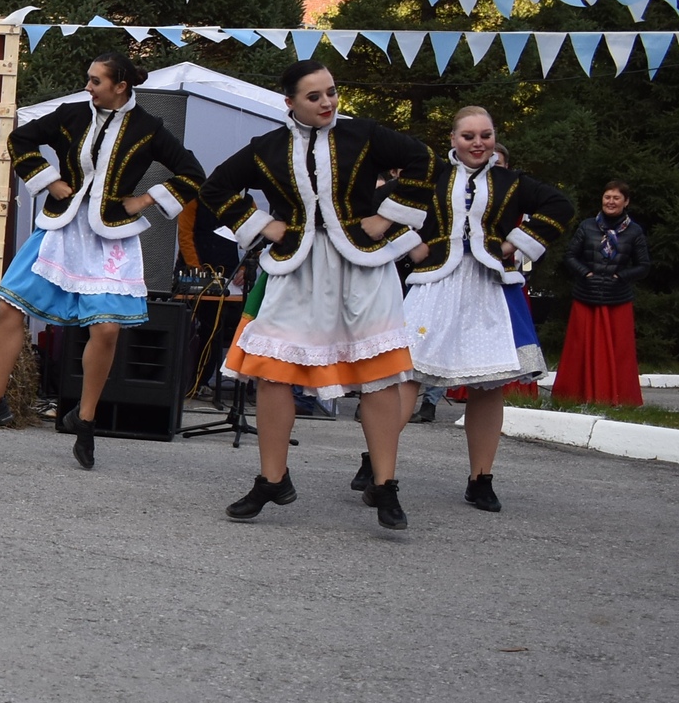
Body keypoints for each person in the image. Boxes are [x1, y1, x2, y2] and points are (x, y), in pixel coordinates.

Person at [198, 59, 434, 530]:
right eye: (314, 96)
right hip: (297, 267)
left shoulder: (362, 133)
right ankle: (272, 478)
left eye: (331, 92)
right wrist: (265, 225)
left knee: (380, 375)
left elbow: (422, 159)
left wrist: (385, 217)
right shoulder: (267, 149)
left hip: (363, 267)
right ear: (290, 102)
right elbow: (215, 187)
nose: (327, 102)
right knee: (273, 373)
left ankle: (385, 485)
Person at [0, 51, 205, 469]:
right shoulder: (71, 114)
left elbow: (192, 173)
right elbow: (20, 139)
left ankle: (86, 418)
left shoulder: (148, 129)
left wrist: (145, 199)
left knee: (108, 329)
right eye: (89, 79)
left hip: (110, 236)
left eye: (96, 81)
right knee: (10, 305)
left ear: (120, 86)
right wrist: (48, 179)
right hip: (62, 228)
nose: (88, 86)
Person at [397, 108, 573, 512]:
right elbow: (383, 205)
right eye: (469, 136)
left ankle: (481, 479)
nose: (478, 143)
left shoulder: (510, 182)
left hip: (488, 290)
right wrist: (414, 246)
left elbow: (559, 206)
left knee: (488, 385)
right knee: (405, 374)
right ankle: (378, 466)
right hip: (433, 286)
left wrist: (511, 245)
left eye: (486, 135)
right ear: (453, 139)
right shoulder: (432, 175)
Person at [557, 180, 649, 406]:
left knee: (619, 352)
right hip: (585, 295)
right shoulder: (587, 226)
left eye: (616, 198)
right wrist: (586, 274)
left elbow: (644, 265)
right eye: (607, 197)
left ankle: (620, 399)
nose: (611, 202)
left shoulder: (635, 231)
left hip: (617, 299)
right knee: (580, 349)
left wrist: (620, 277)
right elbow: (569, 256)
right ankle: (573, 396)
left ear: (625, 202)